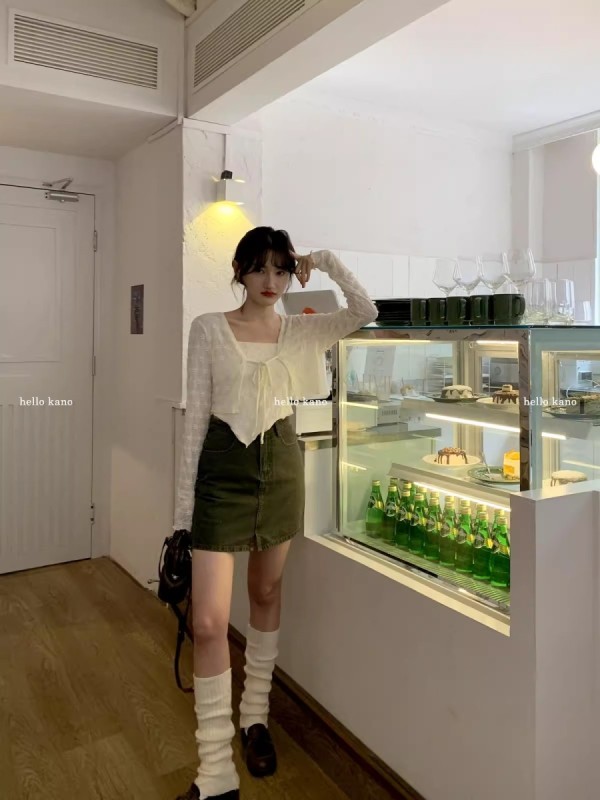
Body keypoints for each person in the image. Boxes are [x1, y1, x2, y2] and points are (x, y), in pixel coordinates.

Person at [173, 227, 377, 800]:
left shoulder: (301, 329)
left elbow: (365, 310)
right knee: (208, 622)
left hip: (282, 467)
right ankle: (215, 768)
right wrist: (181, 517)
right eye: (260, 268)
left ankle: (254, 716)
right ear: (239, 270)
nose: (271, 281)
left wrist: (324, 260)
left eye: (281, 270)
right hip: (222, 474)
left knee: (265, 593)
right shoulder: (208, 328)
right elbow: (194, 423)